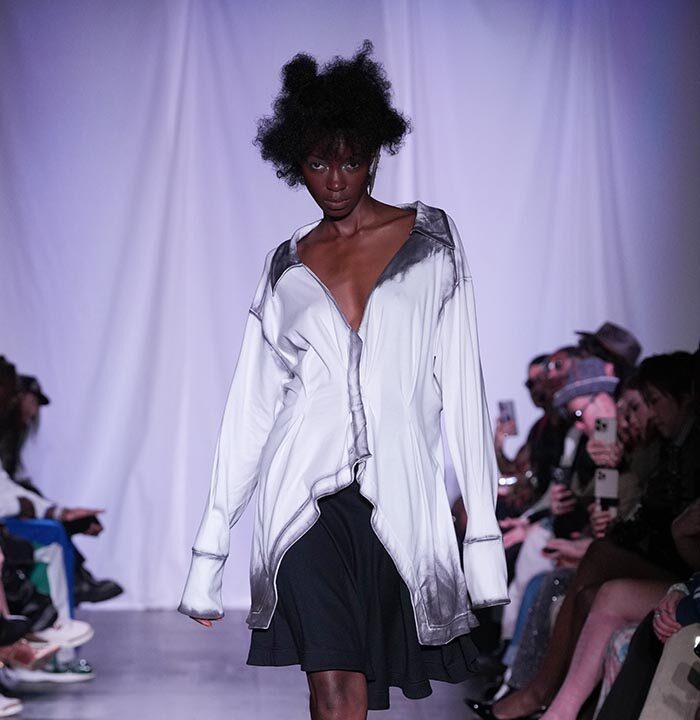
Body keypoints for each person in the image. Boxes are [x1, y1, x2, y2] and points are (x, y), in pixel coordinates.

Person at [179, 42, 507, 718]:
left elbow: (463, 391)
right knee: (331, 683)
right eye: (317, 163)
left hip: (400, 502)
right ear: (293, 161)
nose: (334, 181)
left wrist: (482, 536)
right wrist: (211, 546)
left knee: (354, 682)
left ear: (375, 154)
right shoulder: (286, 266)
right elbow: (252, 407)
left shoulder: (432, 243)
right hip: (301, 501)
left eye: (350, 160)